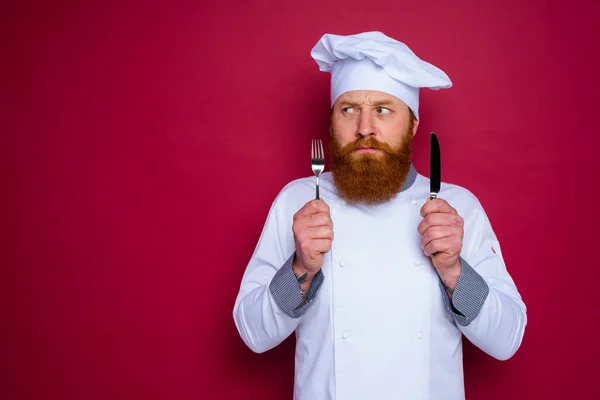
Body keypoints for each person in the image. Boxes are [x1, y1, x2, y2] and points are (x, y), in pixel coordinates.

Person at [233, 31, 527, 400]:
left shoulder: (457, 208)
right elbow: (252, 334)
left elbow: (507, 340)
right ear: (332, 122)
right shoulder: (298, 202)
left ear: (413, 124)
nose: (365, 128)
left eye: (383, 110)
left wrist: (454, 270)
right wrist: (300, 268)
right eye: (349, 109)